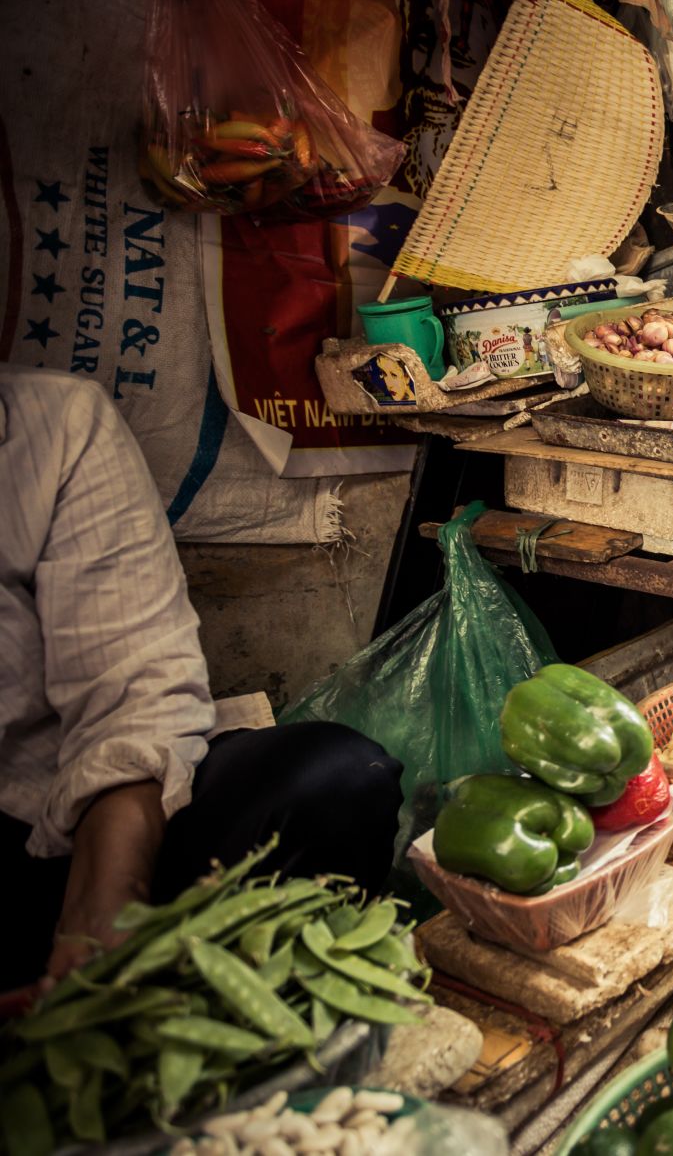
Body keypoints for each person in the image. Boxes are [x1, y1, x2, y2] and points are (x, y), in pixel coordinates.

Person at [1, 365, 404, 992]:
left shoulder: (53, 421)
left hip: (70, 819)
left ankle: (178, 1020)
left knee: (338, 778)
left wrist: (106, 903)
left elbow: (136, 687)